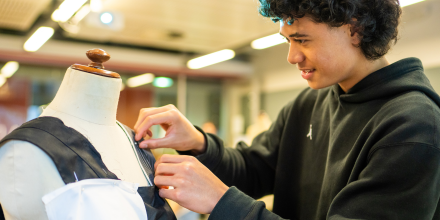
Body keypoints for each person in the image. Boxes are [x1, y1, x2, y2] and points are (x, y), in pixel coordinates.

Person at [133, 0, 440, 219]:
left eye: (302, 40)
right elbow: (252, 170)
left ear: (355, 29)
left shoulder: (413, 125)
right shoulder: (310, 103)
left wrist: (221, 202)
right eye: (288, 41)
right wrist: (197, 143)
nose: (292, 56)